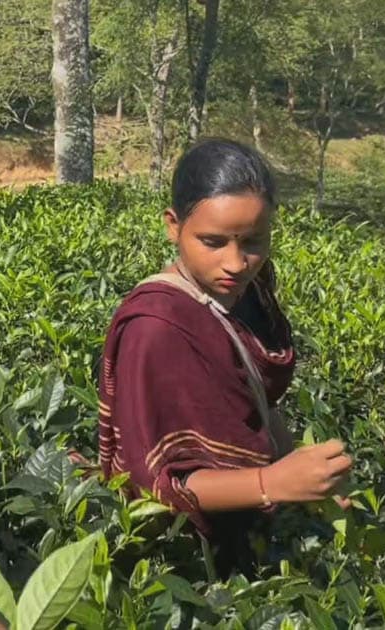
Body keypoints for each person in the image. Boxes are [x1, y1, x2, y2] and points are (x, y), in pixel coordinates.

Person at [96, 139, 353, 575]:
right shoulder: (155, 327)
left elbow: (259, 402)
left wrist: (306, 478)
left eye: (253, 241)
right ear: (173, 225)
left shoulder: (248, 292)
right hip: (186, 560)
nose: (236, 263)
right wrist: (271, 483)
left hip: (255, 532)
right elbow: (156, 484)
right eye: (212, 242)